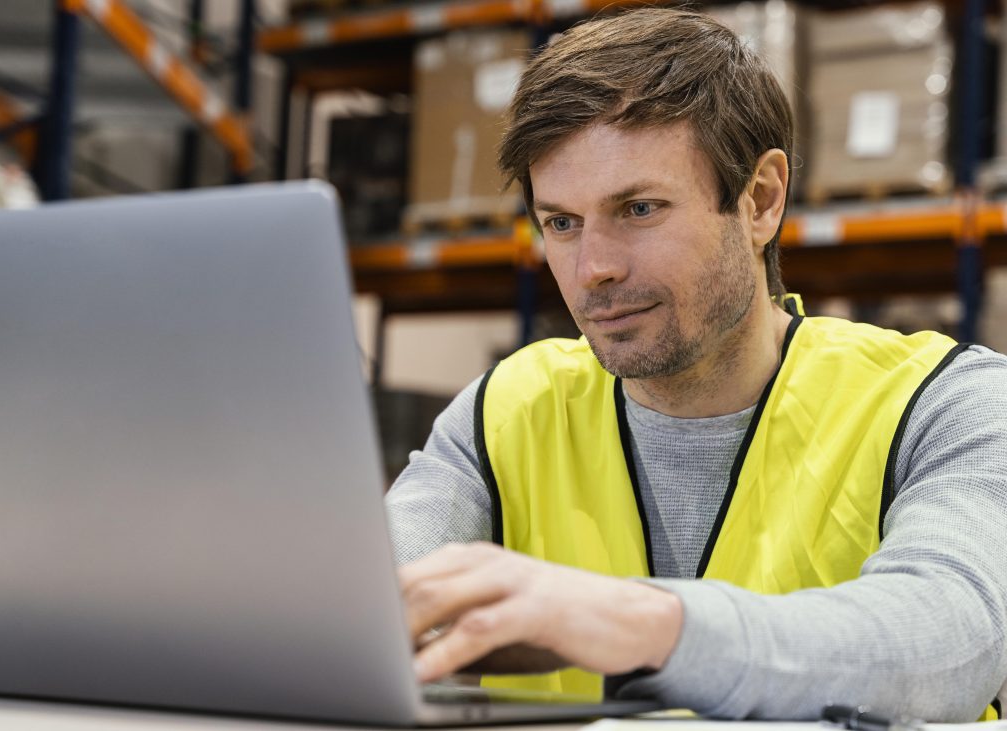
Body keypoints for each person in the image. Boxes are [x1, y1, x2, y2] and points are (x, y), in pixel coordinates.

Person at [385, 8, 1007, 722]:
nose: (594, 269)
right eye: (562, 222)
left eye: (640, 208)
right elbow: (375, 609)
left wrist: (633, 623)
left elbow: (947, 642)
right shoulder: (502, 412)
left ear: (761, 200)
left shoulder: (944, 403)